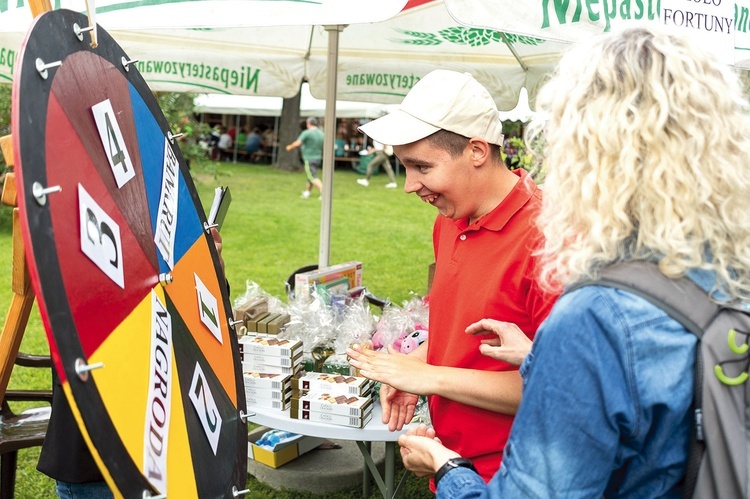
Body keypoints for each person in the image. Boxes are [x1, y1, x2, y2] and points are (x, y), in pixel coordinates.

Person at [391, 26, 750, 497]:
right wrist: (539, 358)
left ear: (584, 150)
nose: (410, 185)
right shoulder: (728, 271)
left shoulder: (595, 311)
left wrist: (446, 469)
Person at [346, 69, 558, 486]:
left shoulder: (549, 237)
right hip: (454, 463)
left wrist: (428, 378)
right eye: (404, 167)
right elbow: (461, 330)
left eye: (421, 166)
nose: (410, 185)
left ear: (477, 150)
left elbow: (560, 387)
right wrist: (413, 364)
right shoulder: (450, 220)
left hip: (521, 473)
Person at [38, 229, 227, 498]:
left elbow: (202, 324)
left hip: (167, 442)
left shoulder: (157, 217)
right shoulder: (79, 233)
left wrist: (211, 270)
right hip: (101, 455)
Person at [285, 117, 324, 199]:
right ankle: (307, 192)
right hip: (318, 157)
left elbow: (298, 143)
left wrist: (290, 147)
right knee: (310, 175)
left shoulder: (307, 133)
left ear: (308, 124)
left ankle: (323, 192)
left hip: (309, 158)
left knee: (312, 176)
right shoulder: (321, 133)